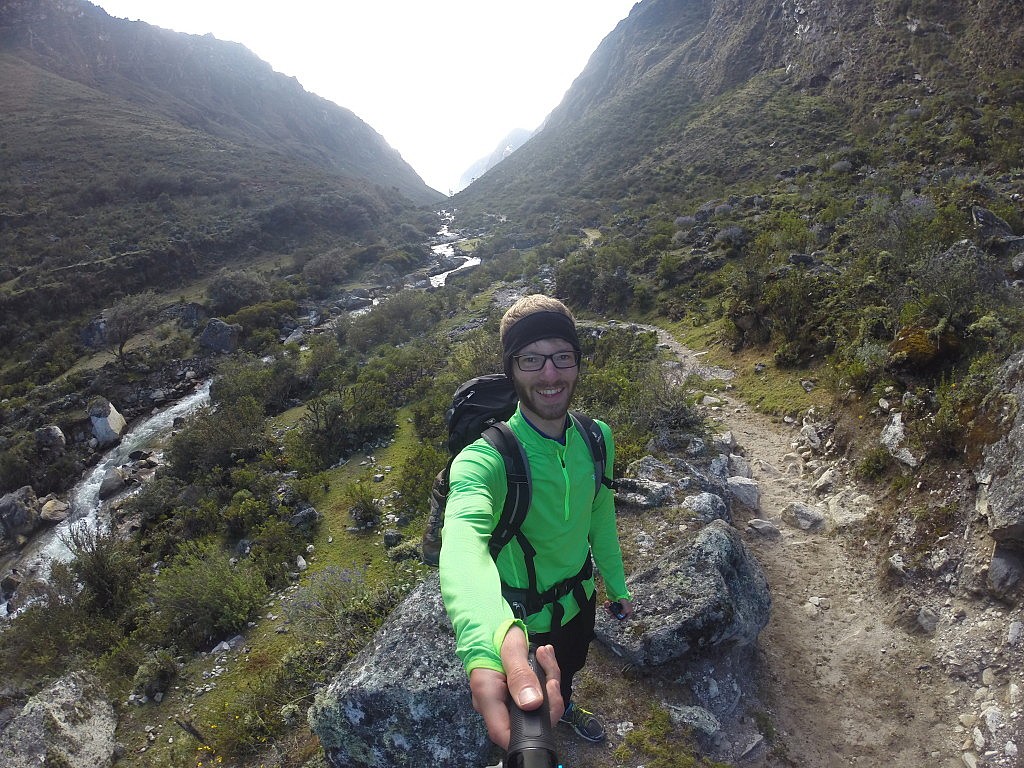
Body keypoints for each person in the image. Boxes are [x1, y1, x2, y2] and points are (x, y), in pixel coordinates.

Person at [439, 294, 634, 751]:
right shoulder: (487, 459)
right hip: (519, 622)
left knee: (568, 670)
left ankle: (567, 704)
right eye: (531, 359)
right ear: (511, 369)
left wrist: (617, 586)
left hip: (580, 601)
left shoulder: (597, 437)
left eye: (562, 356)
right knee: (528, 711)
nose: (550, 375)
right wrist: (488, 640)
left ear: (577, 363)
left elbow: (600, 515)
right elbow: (462, 543)